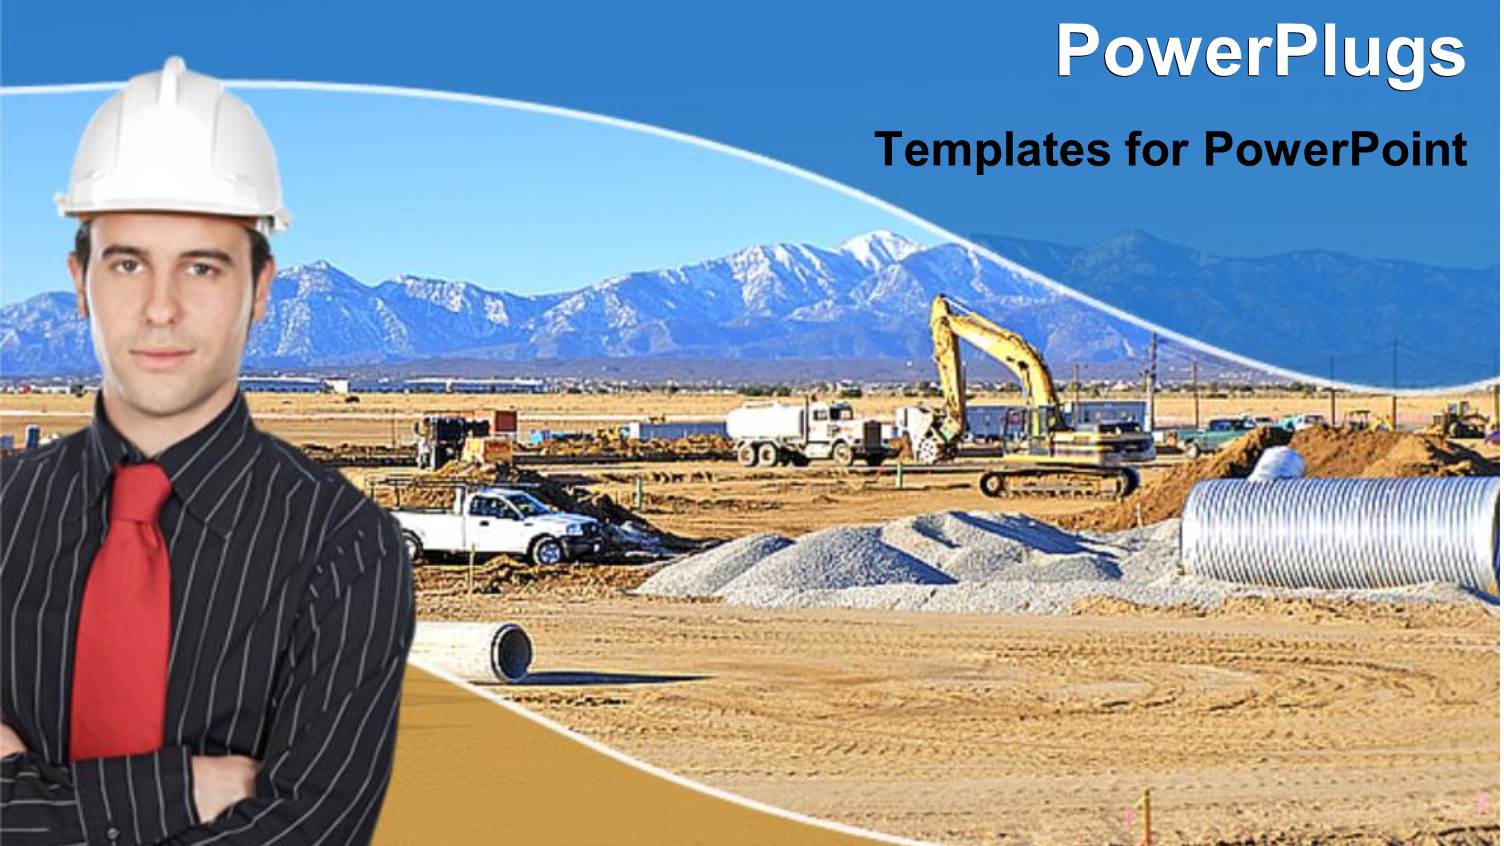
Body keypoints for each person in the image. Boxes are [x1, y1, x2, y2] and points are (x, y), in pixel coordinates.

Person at [0, 57, 415, 845]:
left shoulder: (345, 549)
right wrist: (180, 789)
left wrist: (28, 801)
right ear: (79, 282)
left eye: (202, 266)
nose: (160, 309)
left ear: (261, 289)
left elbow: (309, 829)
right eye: (128, 263)